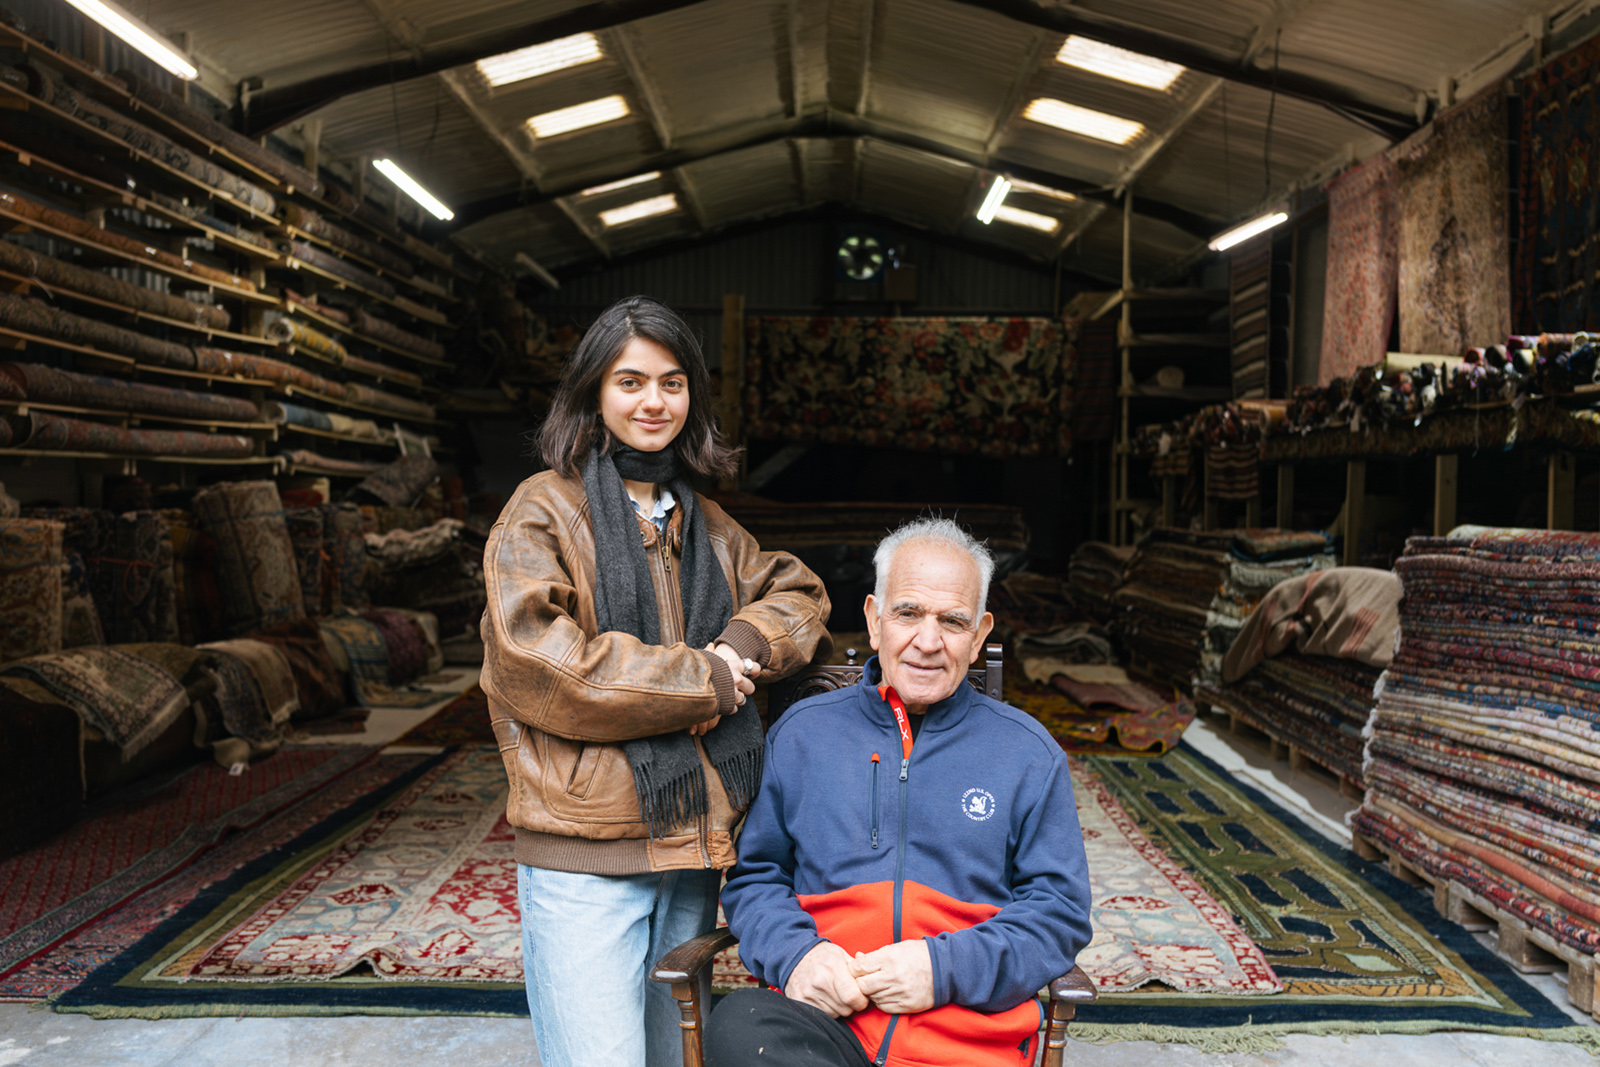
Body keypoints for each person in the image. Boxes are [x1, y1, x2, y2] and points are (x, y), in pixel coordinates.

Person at [479, 295, 832, 1067]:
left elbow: (802, 595)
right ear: (593, 395)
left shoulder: (704, 523)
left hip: (692, 847)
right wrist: (701, 677)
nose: (653, 401)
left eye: (672, 383)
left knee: (676, 1060)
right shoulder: (542, 511)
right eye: (630, 381)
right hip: (587, 849)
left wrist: (743, 640)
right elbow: (541, 664)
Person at [708, 518, 1092, 1067]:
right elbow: (757, 878)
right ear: (873, 619)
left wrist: (941, 970)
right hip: (828, 1026)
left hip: (967, 1035)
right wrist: (797, 957)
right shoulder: (803, 733)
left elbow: (1059, 912)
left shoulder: (1028, 754)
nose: (927, 642)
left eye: (953, 622)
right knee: (740, 1027)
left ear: (981, 634)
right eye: (908, 613)